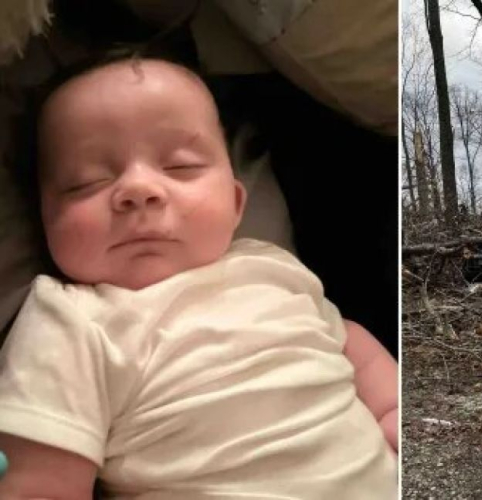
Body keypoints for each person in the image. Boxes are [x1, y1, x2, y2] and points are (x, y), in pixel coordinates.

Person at [0, 56, 397, 498]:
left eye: (180, 167)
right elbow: (40, 484)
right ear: (44, 217)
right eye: (85, 182)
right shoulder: (67, 320)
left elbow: (347, 341)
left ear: (235, 203)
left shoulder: (273, 266)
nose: (138, 190)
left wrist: (392, 407)